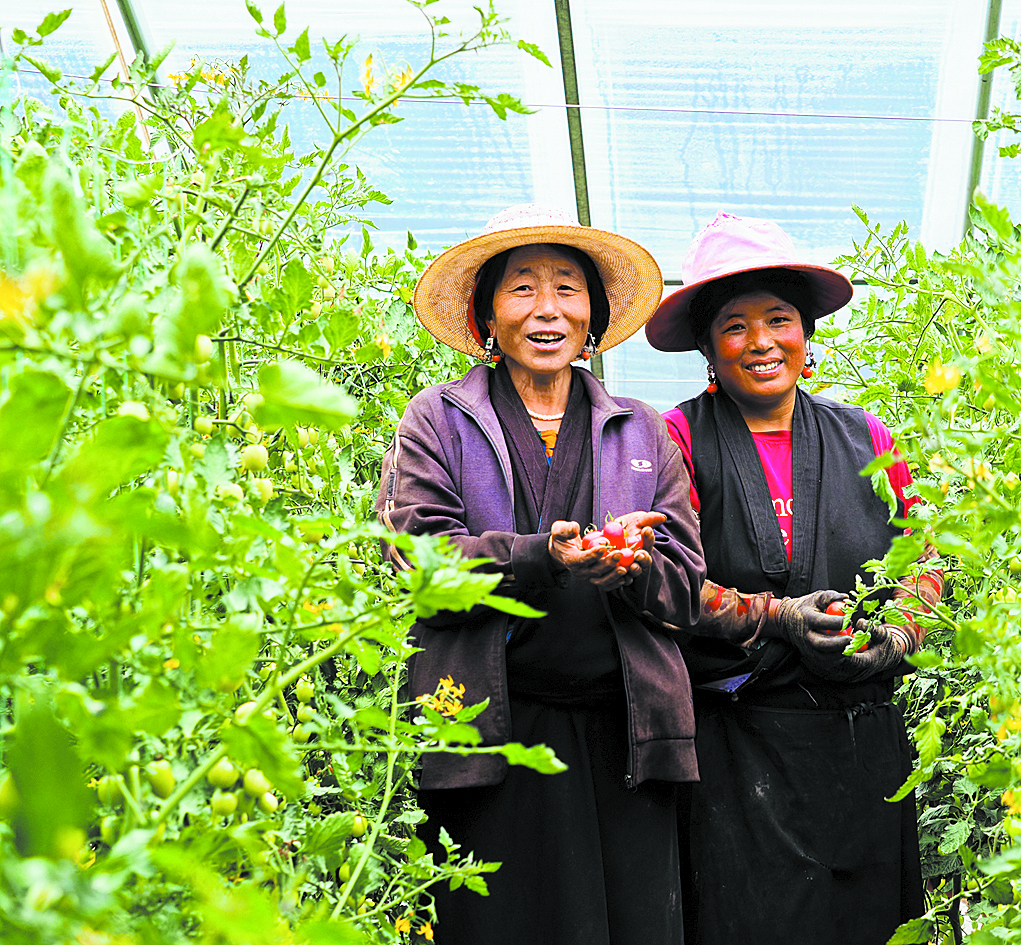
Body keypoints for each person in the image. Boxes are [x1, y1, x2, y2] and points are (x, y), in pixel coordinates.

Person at [375, 204, 706, 945]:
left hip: (626, 738)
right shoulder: (438, 420)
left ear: (594, 317)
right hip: (488, 739)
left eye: (567, 288)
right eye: (522, 287)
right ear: (487, 315)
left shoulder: (643, 429)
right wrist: (538, 556)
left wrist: (632, 567)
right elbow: (419, 563)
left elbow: (685, 587)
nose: (547, 309)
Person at [645, 212, 942, 945]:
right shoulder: (678, 440)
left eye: (779, 319)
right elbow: (668, 585)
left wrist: (899, 633)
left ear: (807, 335)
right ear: (708, 349)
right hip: (740, 746)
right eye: (735, 326)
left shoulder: (868, 436)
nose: (761, 341)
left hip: (863, 747)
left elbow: (927, 560)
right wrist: (778, 616)